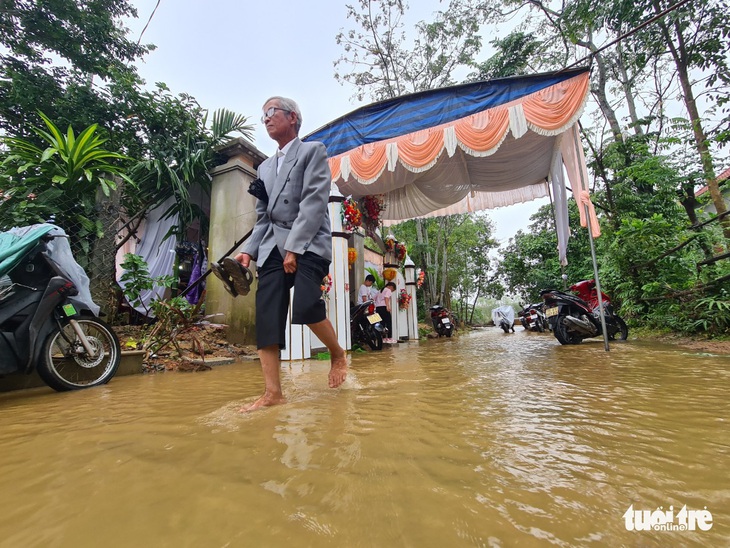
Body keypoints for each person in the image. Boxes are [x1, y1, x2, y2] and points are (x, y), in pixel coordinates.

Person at [235, 96, 347, 412]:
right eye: (263, 115)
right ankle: (273, 394)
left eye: (272, 112)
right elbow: (263, 216)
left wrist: (294, 248)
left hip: (309, 240)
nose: (266, 119)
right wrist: (249, 251)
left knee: (306, 305)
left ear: (292, 117)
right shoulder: (264, 167)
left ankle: (337, 354)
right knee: (267, 315)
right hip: (272, 243)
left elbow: (314, 201)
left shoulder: (313, 152)